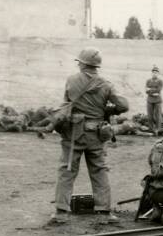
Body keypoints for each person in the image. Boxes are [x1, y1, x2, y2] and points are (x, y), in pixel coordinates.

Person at [49, 48, 129, 225]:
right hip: (96, 134)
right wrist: (109, 110)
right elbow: (124, 105)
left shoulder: (71, 80)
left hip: (74, 134)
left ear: (83, 63)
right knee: (99, 170)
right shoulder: (106, 84)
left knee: (67, 170)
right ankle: (103, 213)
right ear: (96, 66)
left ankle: (61, 212)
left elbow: (66, 105)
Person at [145, 66, 163, 135]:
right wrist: (153, 92)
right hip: (149, 100)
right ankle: (151, 129)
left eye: (156, 72)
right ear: (151, 73)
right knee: (150, 116)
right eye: (153, 72)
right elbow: (146, 91)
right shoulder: (148, 81)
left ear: (158, 74)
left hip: (157, 100)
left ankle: (157, 129)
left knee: (158, 116)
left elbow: (158, 90)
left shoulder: (160, 81)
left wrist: (150, 90)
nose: (154, 74)